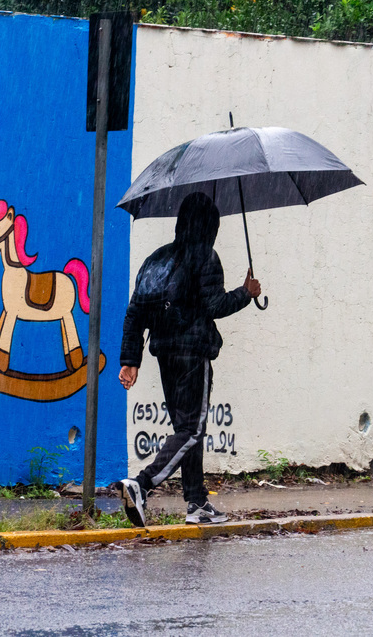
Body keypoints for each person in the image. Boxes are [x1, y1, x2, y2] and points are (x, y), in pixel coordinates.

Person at [115, 192, 261, 526]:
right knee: (192, 431)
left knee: (187, 429)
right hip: (193, 354)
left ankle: (196, 503)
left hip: (165, 355)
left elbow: (135, 312)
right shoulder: (205, 257)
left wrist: (131, 359)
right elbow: (215, 307)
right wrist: (246, 293)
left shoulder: (157, 259)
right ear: (210, 226)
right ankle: (141, 484)